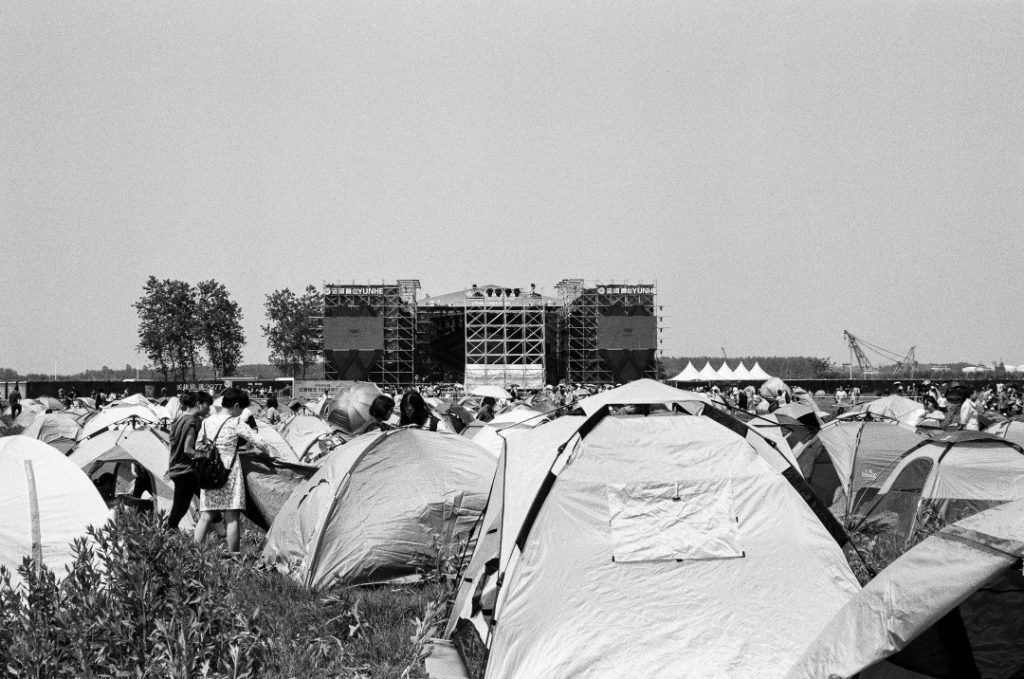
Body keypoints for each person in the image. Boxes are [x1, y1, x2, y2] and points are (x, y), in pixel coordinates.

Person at [193, 388, 272, 554]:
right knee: (232, 516)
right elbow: (260, 442)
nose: (242, 412)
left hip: (209, 471)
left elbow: (199, 445)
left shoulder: (207, 421)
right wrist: (270, 454)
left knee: (206, 515)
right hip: (229, 473)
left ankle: (193, 553)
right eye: (242, 409)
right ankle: (234, 556)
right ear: (236, 406)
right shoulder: (235, 423)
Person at [167, 391, 201, 530]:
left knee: (184, 505)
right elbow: (188, 449)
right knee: (181, 507)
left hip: (176, 468)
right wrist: (205, 456)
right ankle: (168, 533)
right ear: (197, 404)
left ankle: (220, 533)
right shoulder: (191, 421)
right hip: (186, 470)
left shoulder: (176, 421)